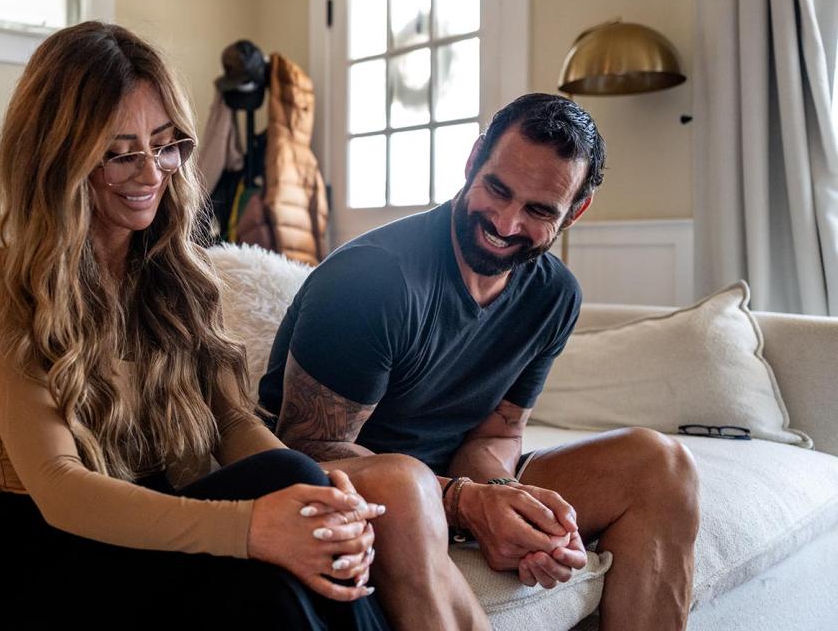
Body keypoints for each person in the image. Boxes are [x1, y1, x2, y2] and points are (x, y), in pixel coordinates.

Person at [0, 21, 486, 631]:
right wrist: (253, 525)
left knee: (295, 509)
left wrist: (318, 498)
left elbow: (234, 423)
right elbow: (59, 486)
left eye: (165, 145)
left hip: (160, 530)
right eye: (120, 153)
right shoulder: (9, 281)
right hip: (58, 560)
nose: (151, 174)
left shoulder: (179, 275)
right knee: (279, 523)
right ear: (59, 157)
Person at [260, 93, 702, 630]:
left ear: (575, 212)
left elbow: (496, 435)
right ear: (474, 160)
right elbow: (306, 448)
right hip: (376, 488)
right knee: (406, 481)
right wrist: (465, 505)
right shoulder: (372, 279)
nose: (507, 223)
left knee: (661, 466)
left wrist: (512, 504)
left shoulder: (555, 296)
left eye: (539, 211)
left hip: (448, 482)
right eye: (498, 189)